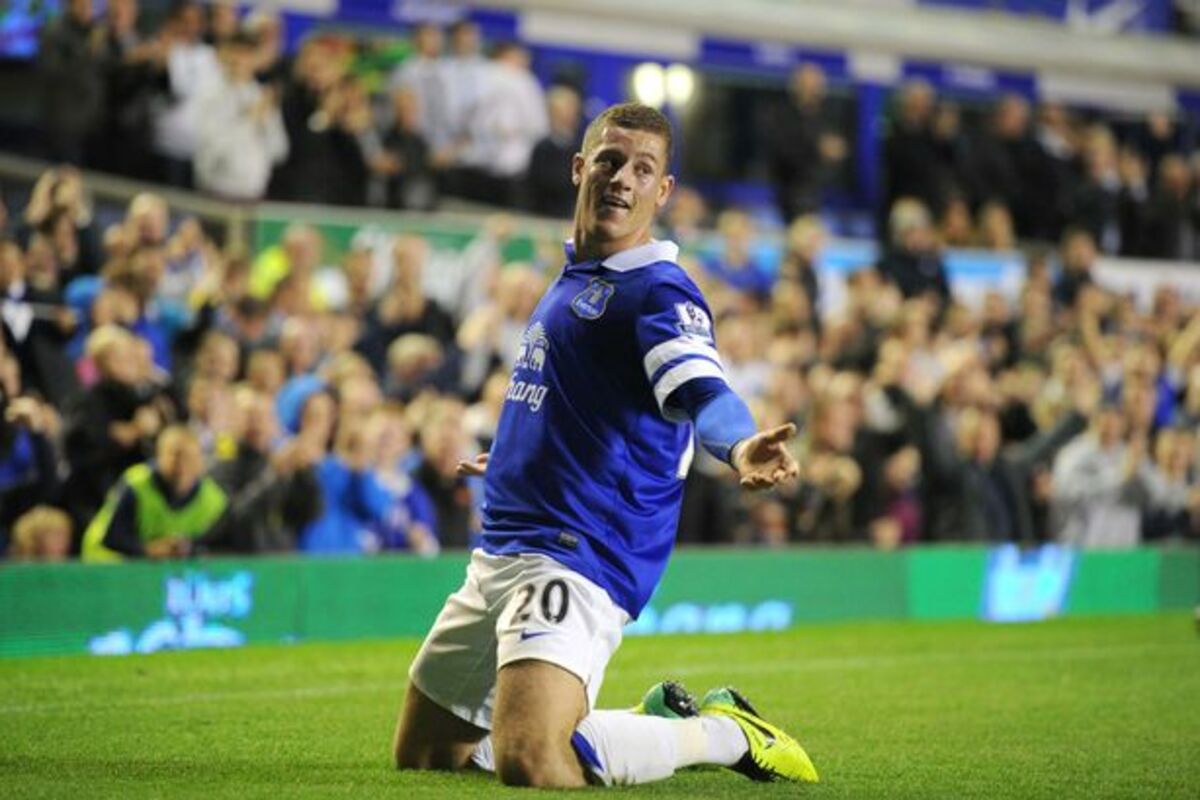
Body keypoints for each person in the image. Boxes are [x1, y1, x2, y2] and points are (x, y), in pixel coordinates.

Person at [393, 103, 817, 788]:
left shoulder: (658, 292)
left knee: (533, 758)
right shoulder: (576, 277)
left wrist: (740, 445)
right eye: (611, 161)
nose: (623, 178)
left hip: (578, 554)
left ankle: (722, 734)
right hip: (502, 550)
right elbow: (574, 397)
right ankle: (637, 722)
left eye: (643, 169)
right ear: (579, 168)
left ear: (663, 191)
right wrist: (519, 456)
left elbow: (703, 389)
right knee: (427, 755)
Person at [81, 425, 227, 562]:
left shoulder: (214, 499)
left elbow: (216, 545)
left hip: (165, 570)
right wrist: (148, 550)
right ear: (159, 456)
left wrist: (186, 548)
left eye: (190, 457)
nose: (182, 465)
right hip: (107, 563)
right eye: (175, 455)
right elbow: (114, 538)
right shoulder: (137, 484)